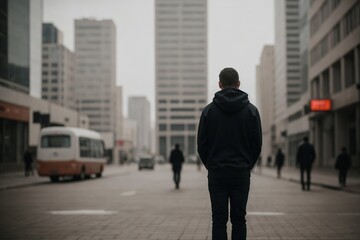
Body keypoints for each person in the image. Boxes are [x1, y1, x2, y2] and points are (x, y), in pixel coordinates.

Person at [197, 67, 262, 240]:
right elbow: (257, 145)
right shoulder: (251, 111)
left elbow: (201, 145)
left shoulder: (208, 111)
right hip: (241, 172)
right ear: (238, 84)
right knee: (239, 219)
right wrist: (247, 165)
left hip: (217, 172)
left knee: (218, 220)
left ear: (219, 84)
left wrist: (211, 164)